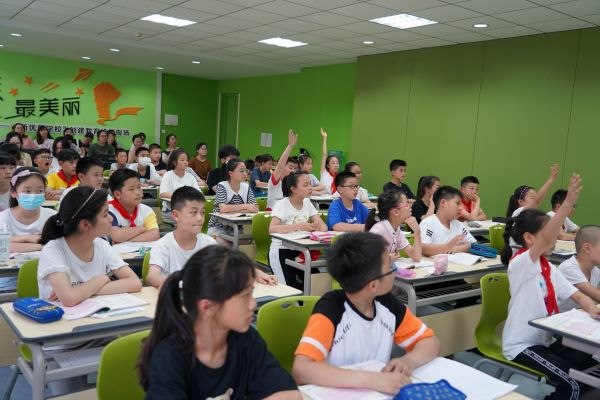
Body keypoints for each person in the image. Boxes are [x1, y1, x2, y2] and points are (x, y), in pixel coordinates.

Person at [139, 246, 301, 400]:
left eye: (251, 293)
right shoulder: (170, 357)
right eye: (244, 296)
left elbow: (289, 394)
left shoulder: (246, 338)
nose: (253, 304)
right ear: (208, 307)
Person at [292, 232, 439, 394]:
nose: (394, 271)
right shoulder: (331, 309)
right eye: (390, 266)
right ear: (373, 285)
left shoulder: (387, 303)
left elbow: (430, 342)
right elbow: (301, 369)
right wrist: (372, 379)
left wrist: (408, 361)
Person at [501, 175, 600, 400]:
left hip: (545, 340)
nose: (554, 239)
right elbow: (546, 239)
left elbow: (578, 296)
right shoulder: (521, 264)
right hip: (522, 345)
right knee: (573, 384)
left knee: (590, 370)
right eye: (550, 234)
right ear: (529, 238)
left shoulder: (549, 268)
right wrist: (567, 204)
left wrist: (592, 309)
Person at [147, 186, 276, 289]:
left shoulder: (207, 242)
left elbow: (230, 264)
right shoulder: (163, 245)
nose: (200, 218)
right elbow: (152, 276)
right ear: (176, 215)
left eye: (202, 212)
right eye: (193, 212)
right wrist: (172, 285)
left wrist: (256, 272)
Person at [37, 187, 141, 305]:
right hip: (60, 315)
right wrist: (104, 278)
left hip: (94, 312)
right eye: (105, 214)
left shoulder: (101, 245)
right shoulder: (53, 250)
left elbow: (135, 283)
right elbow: (69, 299)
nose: (111, 219)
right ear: (85, 224)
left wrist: (81, 291)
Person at [269, 171, 327, 288]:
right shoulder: (282, 204)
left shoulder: (307, 202)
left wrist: (316, 228)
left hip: (302, 251)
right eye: (305, 185)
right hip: (281, 251)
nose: (310, 187)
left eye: (310, 184)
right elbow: (272, 229)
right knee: (288, 289)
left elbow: (323, 227)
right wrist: (298, 226)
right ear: (293, 189)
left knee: (314, 285)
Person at [0, 167, 56, 252]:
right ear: (13, 192)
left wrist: (14, 242)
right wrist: (28, 238)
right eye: (27, 191)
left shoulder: (51, 216)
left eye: (40, 191)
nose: (33, 195)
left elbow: (61, 243)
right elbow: (2, 246)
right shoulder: (4, 217)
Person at [207, 158, 258, 244]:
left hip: (237, 229)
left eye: (246, 171)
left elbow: (255, 208)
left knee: (247, 243)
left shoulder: (246, 186)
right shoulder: (222, 186)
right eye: (241, 171)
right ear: (231, 173)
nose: (245, 174)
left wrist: (230, 209)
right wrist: (245, 206)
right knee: (223, 246)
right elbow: (223, 208)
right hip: (218, 228)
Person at [419, 186, 476, 256]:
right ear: (443, 203)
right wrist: (448, 247)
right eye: (457, 203)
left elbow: (473, 244)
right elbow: (423, 248)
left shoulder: (458, 224)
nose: (460, 208)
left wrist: (456, 249)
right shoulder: (428, 223)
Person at [366, 190, 422, 261]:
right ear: (395, 212)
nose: (411, 206)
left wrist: (417, 231)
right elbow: (368, 261)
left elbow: (416, 257)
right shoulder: (379, 231)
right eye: (407, 204)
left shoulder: (396, 229)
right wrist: (388, 259)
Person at [108, 169, 159, 244]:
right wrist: (142, 228)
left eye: (139, 187)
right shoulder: (108, 211)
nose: (138, 192)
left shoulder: (146, 210)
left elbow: (155, 235)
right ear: (117, 194)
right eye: (131, 189)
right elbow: (116, 235)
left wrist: (122, 240)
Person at [557, 225, 600, 311]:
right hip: (554, 318)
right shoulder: (569, 268)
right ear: (587, 248)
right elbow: (596, 295)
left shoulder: (595, 271)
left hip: (573, 316)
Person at [159, 149, 200, 214]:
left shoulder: (190, 176)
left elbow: (198, 193)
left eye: (187, 160)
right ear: (174, 162)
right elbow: (163, 193)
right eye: (182, 160)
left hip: (188, 210)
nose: (185, 162)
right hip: (170, 210)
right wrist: (182, 197)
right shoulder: (168, 175)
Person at [267, 131, 297, 210]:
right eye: (290, 167)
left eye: (294, 168)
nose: (293, 170)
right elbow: (280, 166)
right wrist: (290, 146)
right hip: (272, 213)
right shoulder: (275, 181)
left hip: (286, 213)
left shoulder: (290, 183)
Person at [319, 128, 339, 195]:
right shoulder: (324, 172)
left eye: (337, 163)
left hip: (335, 200)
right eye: (333, 163)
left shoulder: (339, 177)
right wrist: (325, 138)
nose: (336, 165)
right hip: (323, 200)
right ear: (327, 165)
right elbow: (324, 154)